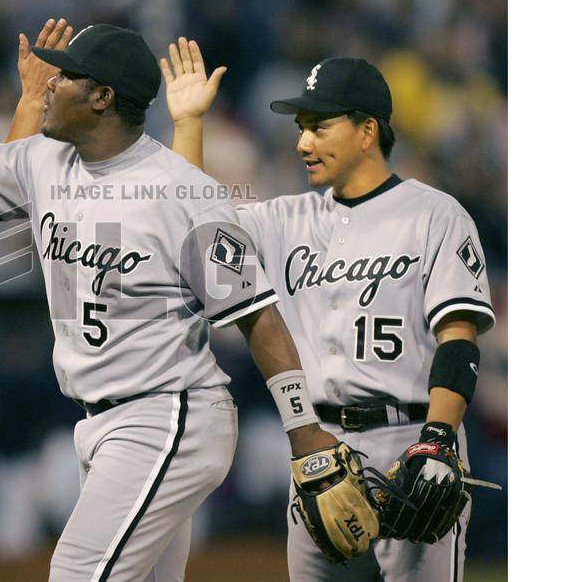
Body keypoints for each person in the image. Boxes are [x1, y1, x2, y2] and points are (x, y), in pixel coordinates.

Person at [0, 0, 340, 582]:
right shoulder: (45, 161)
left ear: (101, 97)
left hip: (168, 415)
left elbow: (257, 316)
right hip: (101, 420)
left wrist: (303, 429)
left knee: (77, 572)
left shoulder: (185, 193)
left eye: (65, 77)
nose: (48, 83)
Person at [165, 42, 495, 581]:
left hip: (411, 442)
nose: (302, 142)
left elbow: (458, 338)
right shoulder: (281, 219)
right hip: (318, 450)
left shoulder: (435, 215)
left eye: (319, 127)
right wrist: (189, 124)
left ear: (367, 131)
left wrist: (438, 439)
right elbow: (191, 229)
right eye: (301, 128)